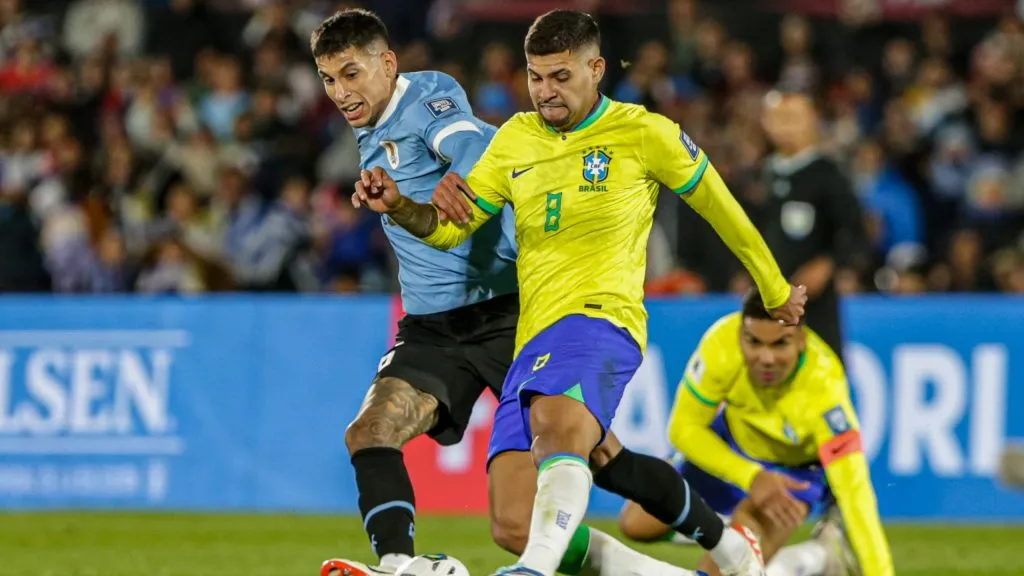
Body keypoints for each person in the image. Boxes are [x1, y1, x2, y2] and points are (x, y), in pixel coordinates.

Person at [353, 9, 807, 576]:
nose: (546, 92)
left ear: (596, 69)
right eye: (535, 77)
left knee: (558, 433)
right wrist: (400, 208)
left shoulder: (645, 133)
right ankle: (727, 554)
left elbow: (724, 211)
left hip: (600, 320)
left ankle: (533, 573)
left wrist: (773, 287)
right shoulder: (516, 139)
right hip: (531, 338)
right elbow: (451, 229)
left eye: (561, 77)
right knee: (514, 523)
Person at [618, 289, 894, 576]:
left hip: (792, 478)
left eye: (780, 344)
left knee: (723, 572)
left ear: (802, 340)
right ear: (741, 334)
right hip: (732, 450)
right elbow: (682, 429)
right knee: (636, 524)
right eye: (754, 342)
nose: (766, 358)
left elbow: (855, 493)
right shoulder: (722, 343)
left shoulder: (825, 389)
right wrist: (752, 477)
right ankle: (751, 538)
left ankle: (822, 553)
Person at [759, 90, 869, 359]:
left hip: (814, 304)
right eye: (778, 118)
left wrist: (828, 263)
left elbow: (854, 230)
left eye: (793, 118)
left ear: (812, 121)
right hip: (765, 301)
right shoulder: (759, 176)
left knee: (820, 374)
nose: (785, 126)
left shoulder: (828, 176)